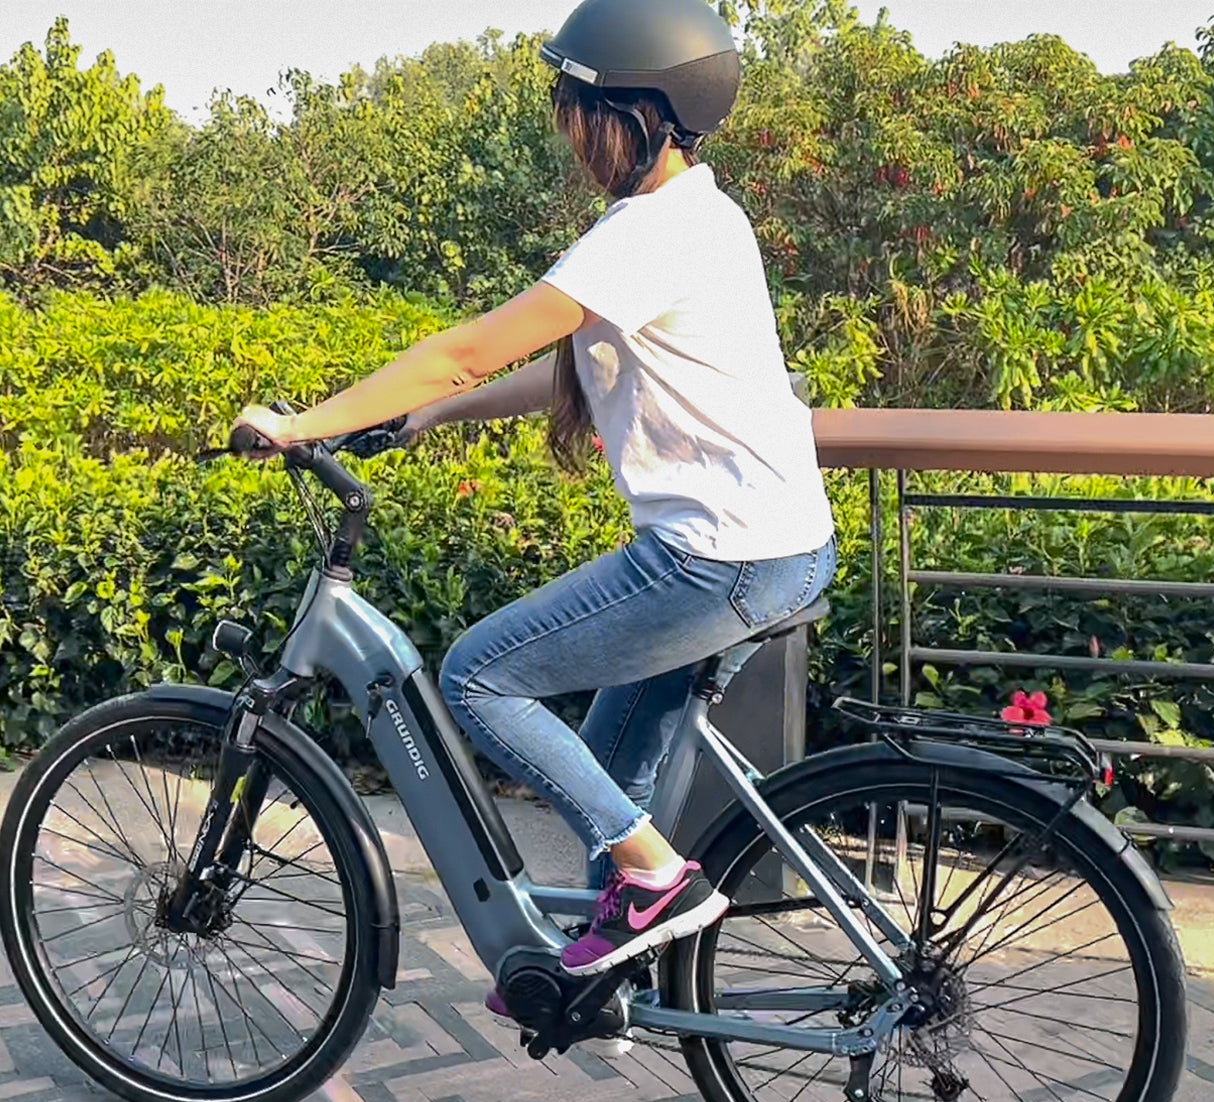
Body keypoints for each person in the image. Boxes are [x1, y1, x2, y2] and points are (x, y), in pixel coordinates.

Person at [235, 0, 836, 984]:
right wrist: (434, 418)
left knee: (476, 675)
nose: (566, 132)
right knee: (604, 775)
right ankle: (621, 965)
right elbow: (564, 367)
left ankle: (657, 883)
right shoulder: (697, 217)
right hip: (772, 544)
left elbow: (463, 351)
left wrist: (305, 422)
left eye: (573, 110)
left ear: (632, 112)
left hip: (716, 557)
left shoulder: (646, 234)